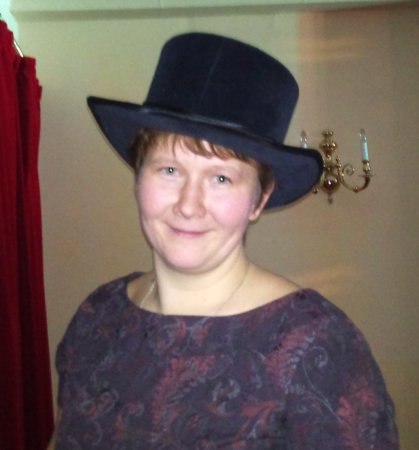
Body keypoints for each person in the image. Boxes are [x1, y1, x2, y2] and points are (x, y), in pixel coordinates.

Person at [50, 33, 399, 449]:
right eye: (169, 170)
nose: (189, 205)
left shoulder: (319, 348)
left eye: (220, 178)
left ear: (259, 200)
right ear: (138, 175)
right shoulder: (97, 317)